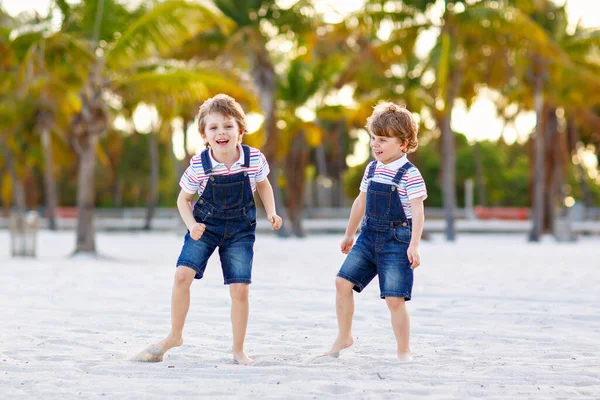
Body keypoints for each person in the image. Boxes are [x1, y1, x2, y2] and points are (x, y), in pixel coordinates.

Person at [134, 94, 282, 365]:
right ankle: (175, 335)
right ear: (204, 134)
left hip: (240, 229)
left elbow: (263, 185)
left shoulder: (253, 159)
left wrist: (271, 212)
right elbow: (183, 200)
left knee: (240, 290)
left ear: (240, 130)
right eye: (213, 128)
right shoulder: (199, 166)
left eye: (228, 126)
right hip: (205, 225)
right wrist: (192, 226)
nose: (221, 133)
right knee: (181, 275)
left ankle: (238, 349)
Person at [325, 102, 427, 361]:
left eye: (382, 140)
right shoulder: (372, 169)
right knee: (342, 282)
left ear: (403, 144)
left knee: (395, 300)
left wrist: (414, 244)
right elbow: (360, 202)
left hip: (397, 241)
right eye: (373, 138)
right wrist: (349, 233)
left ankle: (404, 351)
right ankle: (344, 336)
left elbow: (418, 212)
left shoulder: (410, 174)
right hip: (368, 237)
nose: (375, 144)